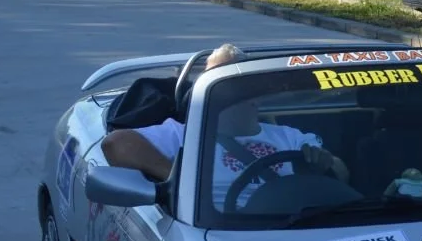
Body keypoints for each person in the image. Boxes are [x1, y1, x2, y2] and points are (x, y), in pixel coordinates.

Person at [99, 44, 350, 210]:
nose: (225, 97)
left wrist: (324, 164)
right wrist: (176, 180)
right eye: (216, 89)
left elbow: (342, 173)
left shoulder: (290, 137)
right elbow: (116, 144)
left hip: (289, 222)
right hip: (212, 225)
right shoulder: (182, 133)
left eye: (234, 88)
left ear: (254, 96)